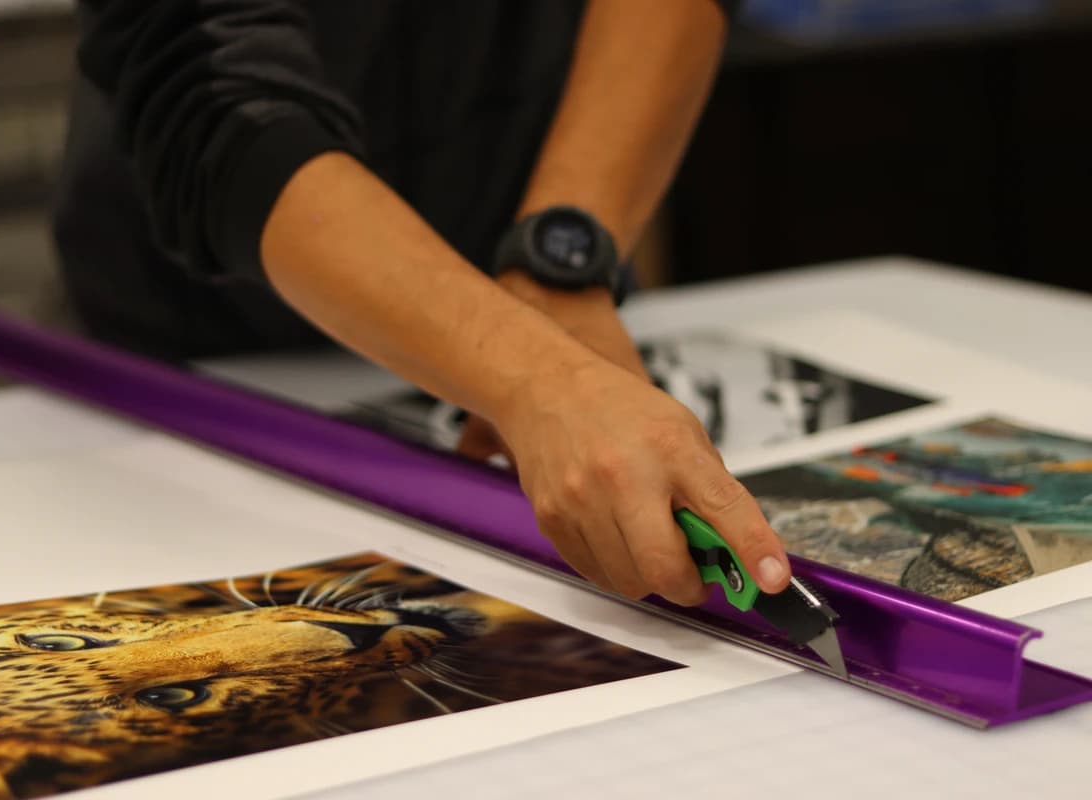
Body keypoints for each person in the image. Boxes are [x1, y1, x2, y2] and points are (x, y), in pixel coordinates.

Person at [53, 0, 792, 608]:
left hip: (522, 229)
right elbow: (207, 83)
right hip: (202, 342)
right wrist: (540, 374)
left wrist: (559, 263)